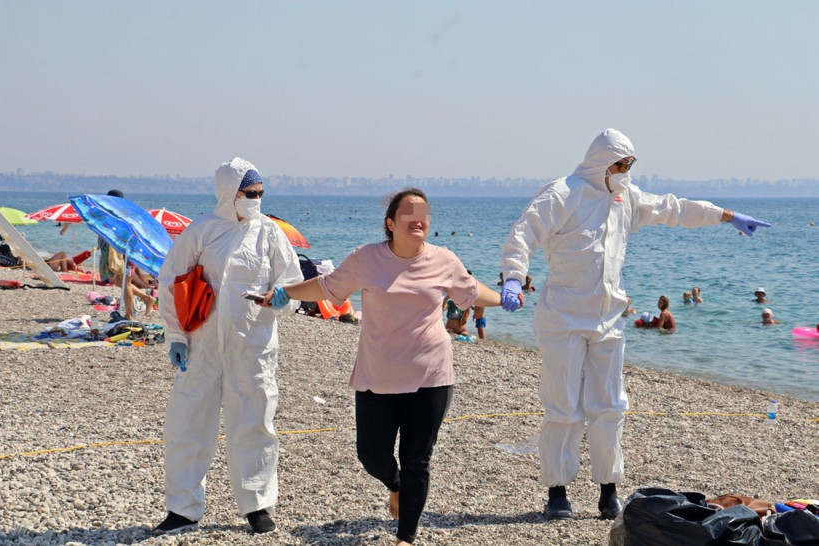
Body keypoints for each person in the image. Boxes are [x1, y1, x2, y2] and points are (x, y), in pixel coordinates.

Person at [499, 128, 770, 521]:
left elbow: (673, 209)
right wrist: (512, 275)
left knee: (610, 406)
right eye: (620, 163)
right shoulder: (563, 193)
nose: (625, 171)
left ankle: (608, 490)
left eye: (630, 164)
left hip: (608, 319)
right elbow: (524, 234)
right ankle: (557, 492)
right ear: (600, 162)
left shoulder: (626, 198)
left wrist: (726, 216)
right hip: (562, 318)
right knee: (563, 406)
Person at [267, 188, 503, 545]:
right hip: (378, 375)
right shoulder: (366, 259)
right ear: (390, 224)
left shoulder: (444, 260)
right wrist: (289, 291)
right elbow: (329, 287)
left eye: (423, 212)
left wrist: (508, 297)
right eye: (408, 213)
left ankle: (405, 537)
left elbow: (470, 291)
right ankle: (395, 484)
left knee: (417, 460)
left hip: (431, 375)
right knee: (371, 455)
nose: (418, 218)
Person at [154, 158, 303, 536]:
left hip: (253, 347)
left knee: (255, 423)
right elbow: (172, 282)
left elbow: (293, 283)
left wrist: (284, 298)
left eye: (260, 194)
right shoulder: (201, 231)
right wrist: (175, 336)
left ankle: (257, 505)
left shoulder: (269, 233)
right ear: (228, 194)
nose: (256, 200)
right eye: (249, 194)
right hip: (200, 346)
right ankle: (183, 508)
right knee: (187, 424)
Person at [99, 190, 155, 320]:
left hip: (127, 255)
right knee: (120, 283)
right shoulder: (119, 214)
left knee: (126, 284)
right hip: (124, 253)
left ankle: (129, 315)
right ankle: (147, 298)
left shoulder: (122, 216)